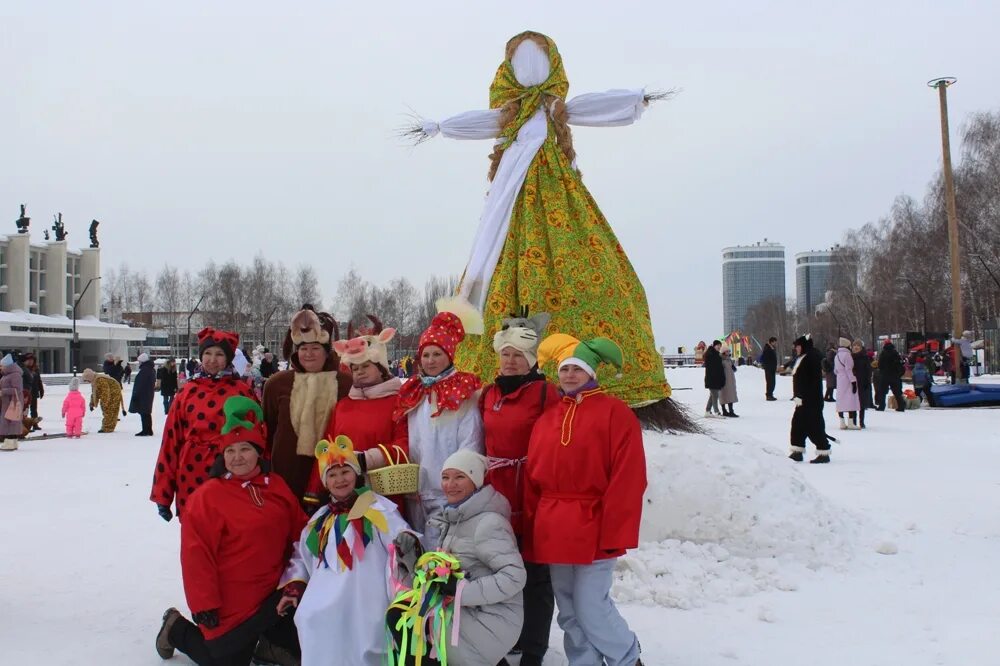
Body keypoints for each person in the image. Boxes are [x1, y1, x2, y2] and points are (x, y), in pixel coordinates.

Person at [411, 31, 691, 431]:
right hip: (510, 202)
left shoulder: (554, 107)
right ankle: (500, 379)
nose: (529, 71)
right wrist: (439, 127)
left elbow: (589, 108)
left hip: (559, 194)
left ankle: (598, 378)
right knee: (497, 272)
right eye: (521, 63)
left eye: (537, 62)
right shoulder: (510, 115)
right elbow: (480, 122)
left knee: (593, 268)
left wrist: (634, 100)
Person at [524, 333, 647, 666]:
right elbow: (534, 477)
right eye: (564, 369)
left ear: (592, 372)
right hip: (554, 524)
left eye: (577, 369)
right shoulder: (547, 419)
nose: (569, 375)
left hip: (594, 523)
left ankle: (626, 656)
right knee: (567, 605)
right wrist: (534, 524)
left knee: (591, 602)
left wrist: (615, 529)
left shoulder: (616, 414)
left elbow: (629, 478)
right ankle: (584, 661)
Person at [156, 396, 306, 666]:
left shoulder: (276, 486)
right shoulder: (208, 497)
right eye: (230, 451)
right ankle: (176, 628)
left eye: (245, 449)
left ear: (258, 452)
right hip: (231, 601)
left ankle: (267, 645)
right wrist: (204, 604)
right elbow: (196, 556)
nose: (237, 458)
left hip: (275, 591)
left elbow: (301, 532)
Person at [279, 435, 411, 666]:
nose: (340, 480)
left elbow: (402, 537)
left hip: (366, 595)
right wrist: (294, 586)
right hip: (325, 595)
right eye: (332, 474)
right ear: (325, 481)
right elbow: (303, 554)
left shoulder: (376, 507)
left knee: (367, 637)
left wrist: (408, 544)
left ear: (356, 475)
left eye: (345, 472)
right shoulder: (320, 519)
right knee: (310, 619)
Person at [390, 450, 527, 666]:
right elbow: (447, 575)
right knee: (401, 613)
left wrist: (461, 590)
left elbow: (515, 577)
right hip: (466, 610)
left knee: (407, 622)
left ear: (475, 481)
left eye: (460, 477)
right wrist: (413, 562)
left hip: (491, 619)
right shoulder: (455, 518)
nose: (450, 484)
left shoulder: (488, 523)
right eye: (445, 477)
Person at [479, 311, 558, 666]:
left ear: (531, 360)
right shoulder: (488, 393)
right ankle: (508, 635)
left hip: (532, 490)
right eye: (505, 354)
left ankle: (534, 647)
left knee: (535, 571)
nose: (510, 361)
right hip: (496, 491)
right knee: (500, 567)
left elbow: (559, 442)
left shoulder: (545, 393)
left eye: (518, 356)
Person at [393, 310, 485, 547]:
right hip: (416, 493)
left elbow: (471, 440)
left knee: (444, 558)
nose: (430, 361)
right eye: (426, 355)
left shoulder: (462, 394)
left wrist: (460, 482)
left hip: (449, 492)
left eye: (437, 354)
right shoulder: (415, 392)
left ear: (450, 355)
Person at [150, 328, 258, 521]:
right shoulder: (187, 392)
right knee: (196, 532)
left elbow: (257, 437)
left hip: (230, 471)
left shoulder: (241, 391)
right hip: (191, 474)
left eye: (219, 354)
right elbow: (170, 442)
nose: (212, 359)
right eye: (207, 353)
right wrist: (163, 493)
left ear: (229, 358)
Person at [306, 319, 408, 509]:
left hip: (385, 496)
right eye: (355, 368)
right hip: (345, 495)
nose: (360, 372)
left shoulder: (398, 403)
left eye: (366, 366)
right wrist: (315, 490)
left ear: (381, 368)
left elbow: (405, 445)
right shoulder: (343, 406)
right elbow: (327, 449)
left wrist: (367, 459)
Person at [263, 305, 352, 507]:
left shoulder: (346, 383)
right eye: (303, 348)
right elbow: (268, 429)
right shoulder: (277, 384)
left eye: (315, 348)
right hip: (286, 475)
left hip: (333, 475)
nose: (309, 354)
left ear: (326, 352)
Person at [788, 334, 831, 463]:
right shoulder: (804, 357)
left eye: (798, 346)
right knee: (797, 425)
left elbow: (811, 380)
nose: (796, 349)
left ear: (803, 346)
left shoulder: (811, 357)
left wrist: (802, 395)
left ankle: (824, 452)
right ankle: (797, 451)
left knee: (814, 426)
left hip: (811, 400)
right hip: (802, 400)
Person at [82, 367, 126, 433]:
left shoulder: (100, 380)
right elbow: (94, 393)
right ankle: (107, 427)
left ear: (90, 377)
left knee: (110, 411)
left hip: (114, 393)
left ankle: (108, 428)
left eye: (87, 380)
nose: (87, 382)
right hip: (110, 394)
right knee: (107, 411)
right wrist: (92, 404)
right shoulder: (95, 380)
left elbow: (105, 391)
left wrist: (105, 402)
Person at [834, 337, 860, 430]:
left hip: (839, 380)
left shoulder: (836, 356)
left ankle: (842, 422)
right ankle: (851, 423)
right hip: (847, 380)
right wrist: (853, 381)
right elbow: (849, 370)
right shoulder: (847, 355)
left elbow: (835, 370)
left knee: (841, 401)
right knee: (851, 401)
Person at [0, 354, 25, 451]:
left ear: (7, 366)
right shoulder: (8, 374)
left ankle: (9, 442)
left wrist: (3, 392)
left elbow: (17, 389)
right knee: (10, 420)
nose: (1, 367)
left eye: (2, 366)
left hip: (13, 402)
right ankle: (12, 442)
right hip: (9, 402)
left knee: (10, 421)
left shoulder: (15, 375)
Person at [129, 353, 156, 436]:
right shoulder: (150, 369)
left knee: (144, 412)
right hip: (148, 394)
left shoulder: (145, 370)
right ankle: (148, 430)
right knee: (146, 412)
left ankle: (146, 430)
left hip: (143, 395)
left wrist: (136, 394)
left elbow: (140, 383)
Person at [876, 338, 905, 412]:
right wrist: (898, 374)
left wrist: (882, 371)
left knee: (882, 392)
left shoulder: (883, 353)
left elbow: (879, 365)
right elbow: (900, 365)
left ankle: (882, 406)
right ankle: (901, 406)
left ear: (884, 344)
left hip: (885, 375)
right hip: (894, 376)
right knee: (897, 392)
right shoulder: (895, 353)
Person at [851, 340, 872, 429]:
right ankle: (854, 421)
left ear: (861, 347)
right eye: (854, 345)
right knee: (853, 402)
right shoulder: (850, 357)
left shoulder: (865, 357)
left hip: (862, 382)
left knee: (861, 403)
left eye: (858, 345)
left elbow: (868, 370)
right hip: (852, 382)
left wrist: (867, 381)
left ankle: (861, 421)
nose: (856, 347)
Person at [20, 352, 44, 430]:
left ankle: (35, 424)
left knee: (34, 409)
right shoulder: (23, 369)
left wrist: (41, 390)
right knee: (25, 409)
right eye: (29, 360)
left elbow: (39, 381)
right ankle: (26, 425)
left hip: (34, 392)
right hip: (25, 392)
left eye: (32, 360)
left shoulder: (35, 369)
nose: (30, 361)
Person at [703, 340, 725, 418]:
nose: (719, 347)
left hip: (716, 379)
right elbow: (712, 368)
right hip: (712, 379)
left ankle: (707, 411)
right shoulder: (711, 355)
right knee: (715, 395)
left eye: (720, 346)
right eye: (718, 345)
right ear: (714, 345)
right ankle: (717, 412)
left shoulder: (717, 355)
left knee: (712, 396)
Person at [719, 346, 739, 417]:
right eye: (727, 351)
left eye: (729, 351)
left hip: (730, 380)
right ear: (723, 352)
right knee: (723, 395)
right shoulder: (721, 360)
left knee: (730, 395)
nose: (728, 352)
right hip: (723, 380)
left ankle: (731, 411)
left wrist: (733, 366)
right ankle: (724, 410)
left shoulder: (729, 360)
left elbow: (733, 369)